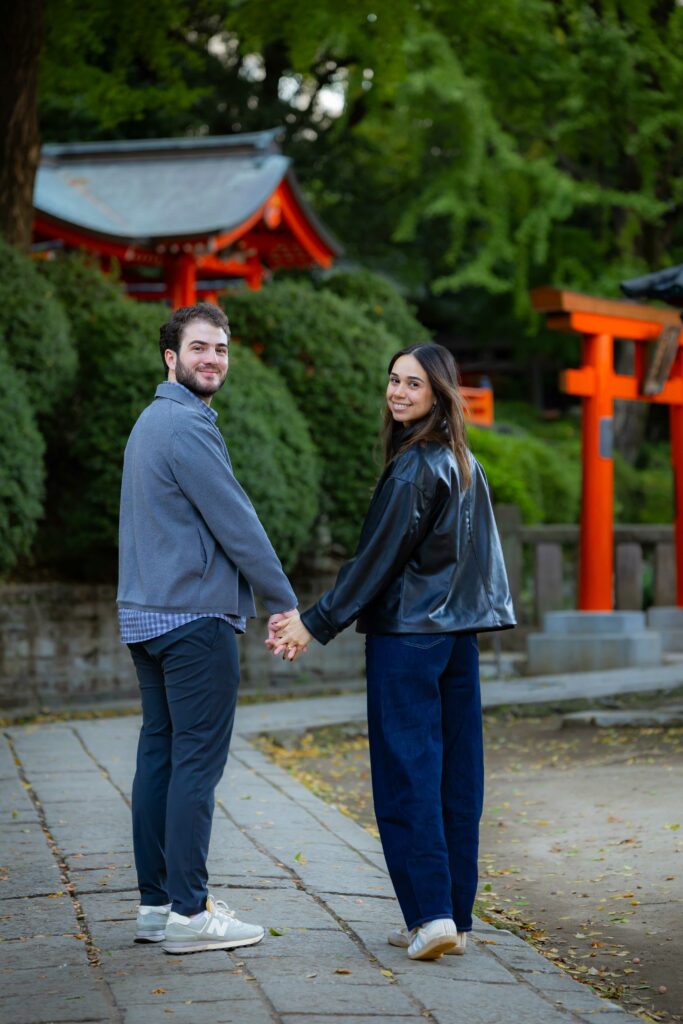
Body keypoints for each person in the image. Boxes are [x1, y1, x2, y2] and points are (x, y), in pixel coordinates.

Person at [270, 343, 515, 961]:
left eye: (413, 384)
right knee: (457, 775)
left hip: (409, 640)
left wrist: (313, 622)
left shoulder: (414, 467)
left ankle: (431, 915)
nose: (399, 392)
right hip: (458, 639)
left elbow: (376, 561)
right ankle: (453, 911)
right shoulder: (464, 462)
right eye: (394, 380)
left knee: (410, 774)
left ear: (439, 393)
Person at [117, 303, 298, 955]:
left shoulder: (148, 423)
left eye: (220, 349)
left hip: (146, 617)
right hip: (193, 619)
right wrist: (283, 601)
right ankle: (191, 916)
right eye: (199, 348)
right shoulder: (185, 426)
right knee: (194, 762)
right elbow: (237, 521)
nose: (211, 359)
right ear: (171, 358)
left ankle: (156, 907)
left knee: (161, 759)